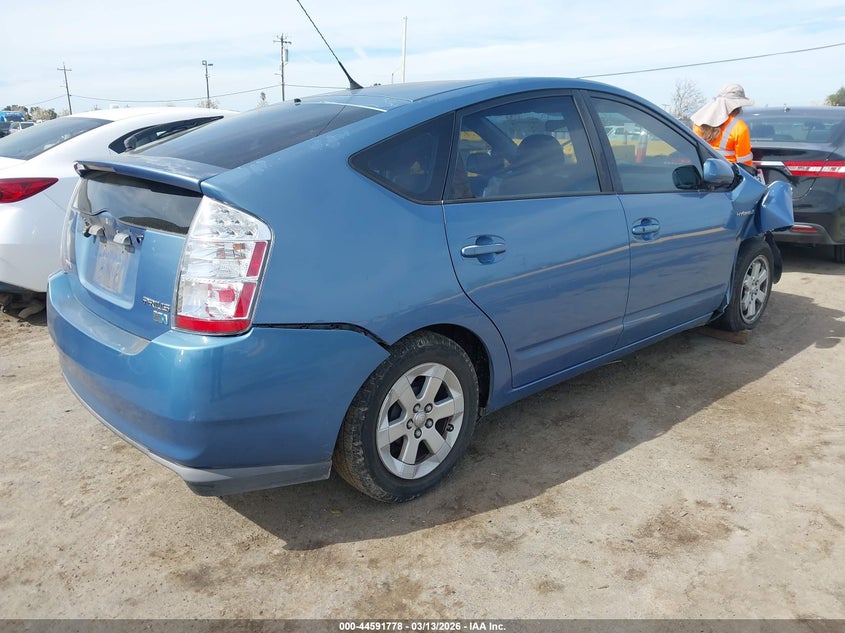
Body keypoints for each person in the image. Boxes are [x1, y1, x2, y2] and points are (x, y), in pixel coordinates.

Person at [691, 83, 755, 171]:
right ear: (737, 106)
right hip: (728, 176)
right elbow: (745, 163)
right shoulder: (739, 127)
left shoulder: (698, 124)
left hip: (702, 172)